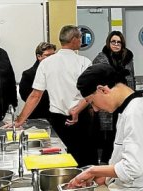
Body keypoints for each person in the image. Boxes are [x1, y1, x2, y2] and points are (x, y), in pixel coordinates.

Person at [10, 25, 97, 166]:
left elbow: (35, 95)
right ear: (74, 40)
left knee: (60, 159)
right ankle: (84, 186)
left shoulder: (46, 63)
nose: (81, 41)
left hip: (58, 121)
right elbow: (91, 92)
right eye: (80, 38)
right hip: (81, 118)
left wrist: (20, 121)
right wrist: (76, 110)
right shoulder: (84, 62)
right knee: (83, 160)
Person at [92, 31, 135, 164]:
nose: (116, 44)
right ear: (108, 43)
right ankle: (106, 161)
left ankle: (119, 161)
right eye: (113, 42)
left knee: (121, 131)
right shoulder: (101, 58)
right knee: (108, 134)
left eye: (119, 42)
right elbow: (95, 80)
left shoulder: (127, 58)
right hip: (108, 99)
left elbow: (131, 78)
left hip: (123, 100)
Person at [18, 42, 56, 120]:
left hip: (57, 116)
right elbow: (26, 96)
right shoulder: (28, 74)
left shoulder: (58, 72)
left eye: (54, 55)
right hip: (38, 115)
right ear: (39, 56)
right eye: (48, 55)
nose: (52, 58)